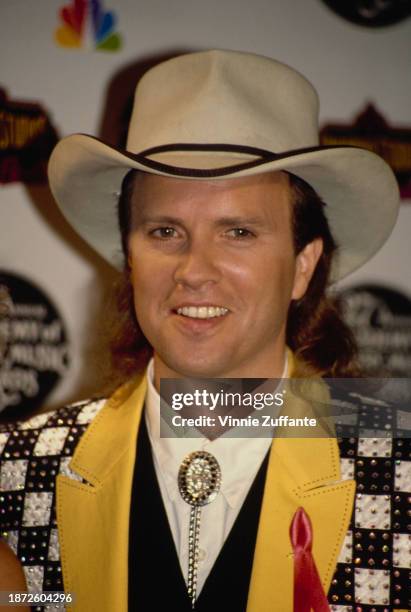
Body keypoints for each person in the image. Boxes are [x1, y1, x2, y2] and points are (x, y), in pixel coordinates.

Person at [0, 50, 408, 612]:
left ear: (304, 266)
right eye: (165, 231)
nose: (193, 270)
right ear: (130, 256)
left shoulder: (400, 474)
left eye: (238, 231)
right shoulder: (16, 475)